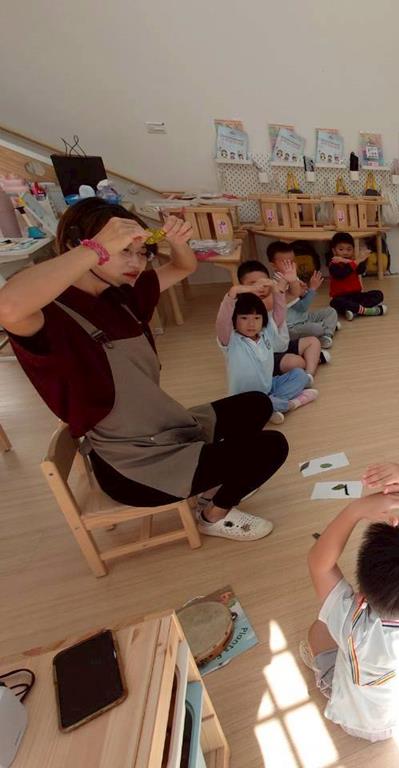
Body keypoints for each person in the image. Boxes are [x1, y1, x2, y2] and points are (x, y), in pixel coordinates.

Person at [0, 199, 286, 541]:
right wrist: (95, 249)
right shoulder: (50, 315)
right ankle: (213, 514)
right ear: (83, 247)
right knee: (271, 447)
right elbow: (8, 306)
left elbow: (183, 267)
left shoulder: (120, 295)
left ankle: (215, 481)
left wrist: (177, 241)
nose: (136, 263)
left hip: (164, 428)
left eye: (143, 252)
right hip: (133, 468)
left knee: (257, 403)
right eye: (124, 251)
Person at [302, 463, 399, 741]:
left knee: (318, 630)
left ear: (363, 595)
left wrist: (355, 510)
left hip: (357, 722)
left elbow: (318, 563)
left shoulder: (352, 626)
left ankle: (323, 675)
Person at [215, 287, 319, 424]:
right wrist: (233, 292)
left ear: (263, 319)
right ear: (234, 319)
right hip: (244, 398)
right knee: (246, 406)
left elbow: (279, 314)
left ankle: (270, 405)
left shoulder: (266, 333)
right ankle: (291, 404)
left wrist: (277, 290)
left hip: (269, 388)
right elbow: (223, 321)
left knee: (300, 375)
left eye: (257, 318)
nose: (251, 324)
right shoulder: (231, 340)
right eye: (244, 318)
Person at [237, 260, 326, 377]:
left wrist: (292, 280)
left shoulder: (274, 296)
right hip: (266, 356)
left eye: (264, 283)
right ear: (242, 286)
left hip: (282, 346)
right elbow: (270, 302)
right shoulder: (244, 304)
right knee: (296, 362)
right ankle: (310, 360)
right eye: (253, 284)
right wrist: (283, 283)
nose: (260, 288)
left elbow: (294, 293)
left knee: (313, 342)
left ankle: (309, 375)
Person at [265, 241, 338, 348]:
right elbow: (302, 307)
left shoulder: (293, 277)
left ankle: (326, 334)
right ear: (273, 265)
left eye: (292, 261)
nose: (290, 265)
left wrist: (304, 292)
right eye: (285, 263)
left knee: (331, 311)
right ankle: (328, 328)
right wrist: (312, 289)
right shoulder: (278, 283)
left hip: (304, 318)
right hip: (291, 327)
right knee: (316, 328)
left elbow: (301, 300)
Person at [327, 232, 387, 320]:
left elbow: (361, 270)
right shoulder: (333, 264)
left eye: (349, 249)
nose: (345, 252)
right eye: (341, 249)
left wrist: (352, 261)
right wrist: (355, 261)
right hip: (341, 297)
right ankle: (366, 310)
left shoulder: (353, 262)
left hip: (356, 296)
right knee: (335, 302)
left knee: (378, 294)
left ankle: (354, 310)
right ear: (334, 251)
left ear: (353, 250)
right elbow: (342, 274)